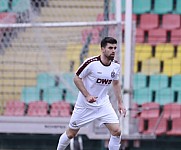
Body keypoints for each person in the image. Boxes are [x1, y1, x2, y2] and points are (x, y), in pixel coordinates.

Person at [57, 37, 126, 150]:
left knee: (117, 131)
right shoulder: (91, 63)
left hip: (103, 103)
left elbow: (116, 83)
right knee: (71, 134)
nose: (113, 50)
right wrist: (87, 95)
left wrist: (120, 103)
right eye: (110, 48)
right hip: (85, 105)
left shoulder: (116, 66)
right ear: (102, 49)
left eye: (115, 48)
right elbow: (76, 78)